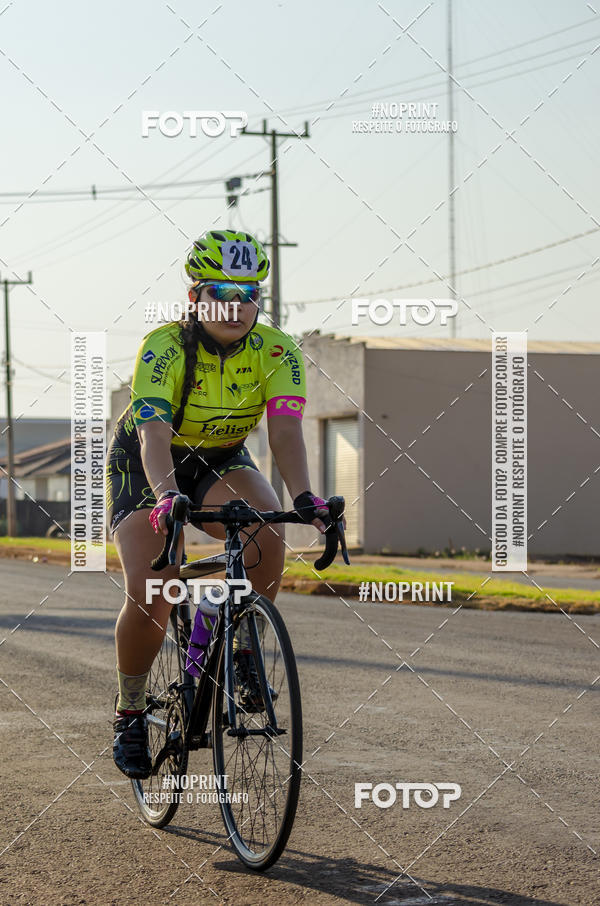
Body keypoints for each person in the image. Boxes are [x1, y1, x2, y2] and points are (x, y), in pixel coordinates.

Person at [106, 229, 328, 778]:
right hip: (147, 461)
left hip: (219, 457)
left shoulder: (278, 351)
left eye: (248, 294)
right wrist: (165, 497)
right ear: (194, 298)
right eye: (221, 292)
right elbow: (154, 436)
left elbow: (285, 434)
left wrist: (304, 499)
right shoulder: (164, 346)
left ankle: (242, 644)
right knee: (155, 589)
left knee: (266, 526)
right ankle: (130, 711)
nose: (236, 306)